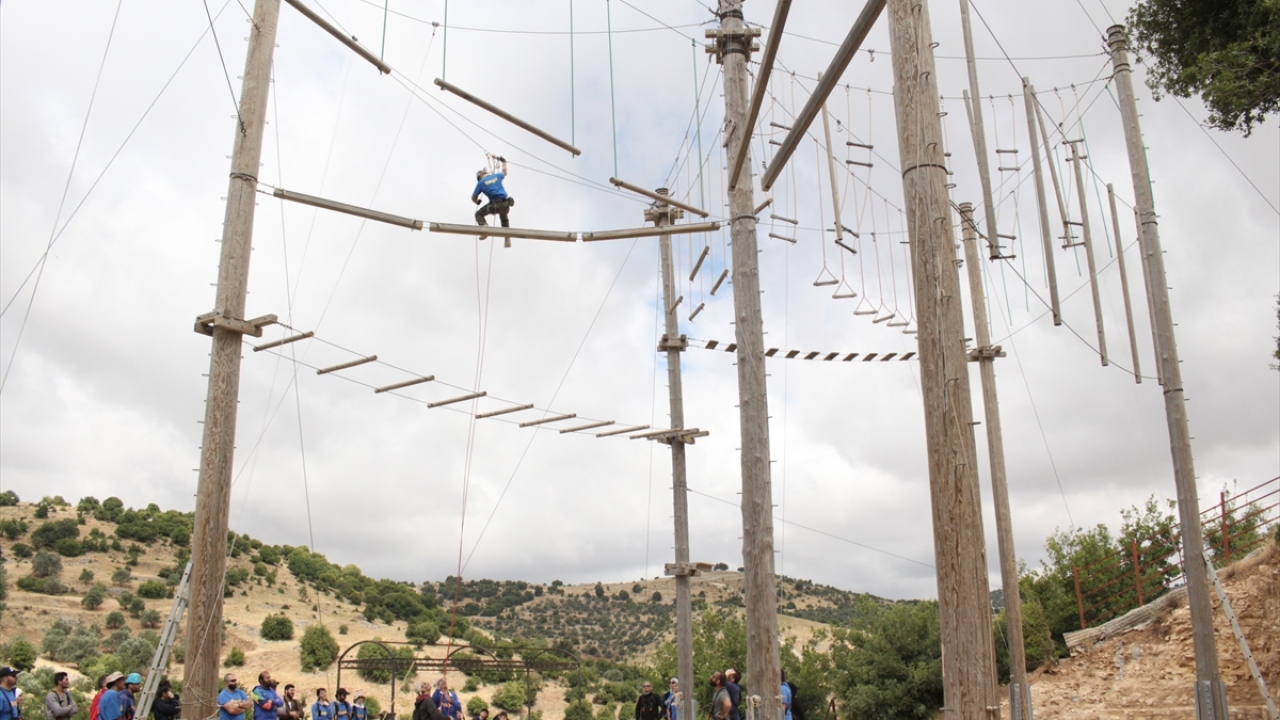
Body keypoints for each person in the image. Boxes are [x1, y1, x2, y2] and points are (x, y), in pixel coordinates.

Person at [471, 158, 514, 233]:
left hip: (494, 206)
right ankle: (507, 237)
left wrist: (477, 202)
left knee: (478, 214)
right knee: (504, 216)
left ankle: (484, 228)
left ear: (480, 176)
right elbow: (504, 172)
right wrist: (504, 162)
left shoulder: (481, 182)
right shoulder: (496, 176)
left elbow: (473, 197)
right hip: (505, 204)